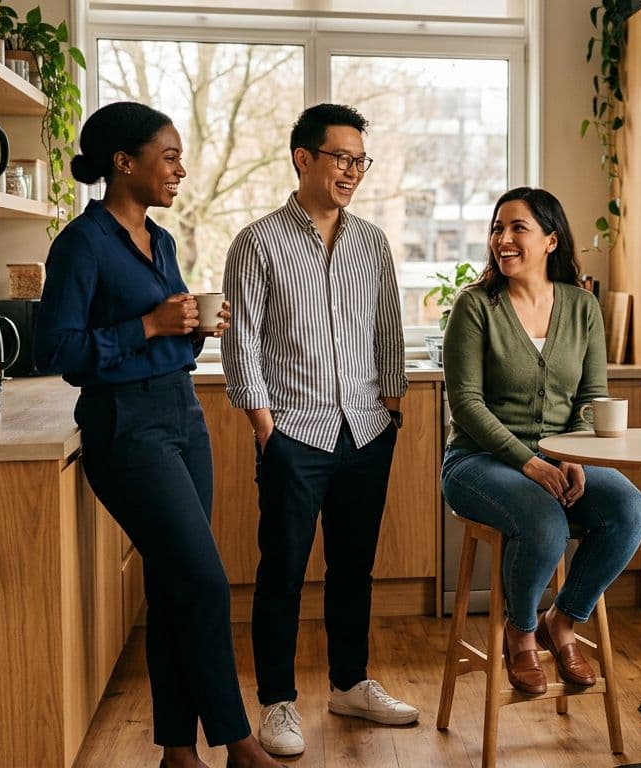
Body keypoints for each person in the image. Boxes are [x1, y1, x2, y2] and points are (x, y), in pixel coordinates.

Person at [36, 101, 279, 768]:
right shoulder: (81, 245)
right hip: (125, 427)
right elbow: (53, 350)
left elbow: (162, 322)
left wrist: (195, 325)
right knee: (203, 582)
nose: (179, 169)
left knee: (175, 583)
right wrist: (146, 328)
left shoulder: (161, 241)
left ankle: (178, 751)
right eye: (167, 156)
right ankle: (238, 741)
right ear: (124, 162)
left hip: (181, 415)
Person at [221, 103, 418, 758]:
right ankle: (277, 702)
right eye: (342, 157)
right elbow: (241, 341)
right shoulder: (257, 242)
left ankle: (349, 683)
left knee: (353, 568)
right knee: (282, 572)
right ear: (303, 159)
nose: (353, 171)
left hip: (365, 429)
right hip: (294, 434)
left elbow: (389, 329)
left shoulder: (372, 243)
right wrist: (263, 425)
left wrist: (390, 410)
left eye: (360, 160)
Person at [440, 187, 641, 695]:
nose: (502, 239)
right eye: (497, 228)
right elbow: (466, 404)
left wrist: (573, 455)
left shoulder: (582, 307)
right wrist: (531, 464)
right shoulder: (475, 306)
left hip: (559, 457)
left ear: (551, 240)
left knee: (629, 510)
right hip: (477, 461)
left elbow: (591, 396)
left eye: (518, 229)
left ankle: (564, 619)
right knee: (543, 518)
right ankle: (522, 630)